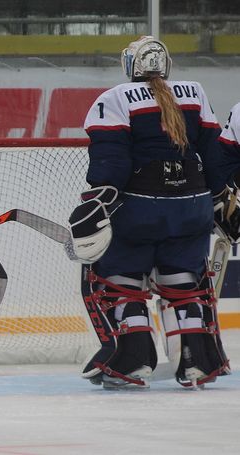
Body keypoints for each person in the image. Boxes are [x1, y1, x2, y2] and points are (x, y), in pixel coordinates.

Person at [69, 36, 229, 389]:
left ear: (130, 65)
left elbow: (111, 161)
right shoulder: (195, 92)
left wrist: (98, 201)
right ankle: (196, 363)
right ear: (166, 64)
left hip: (139, 207)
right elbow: (215, 155)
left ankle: (134, 361)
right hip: (192, 206)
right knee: (184, 282)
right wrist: (221, 198)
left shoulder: (112, 98)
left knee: (121, 282)